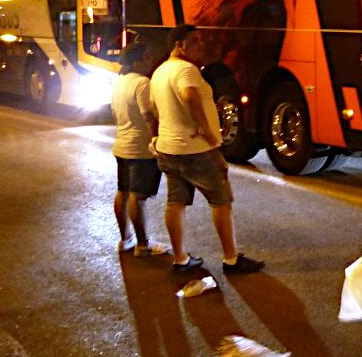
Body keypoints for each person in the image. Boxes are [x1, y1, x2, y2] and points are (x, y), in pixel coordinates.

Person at [150, 24, 264, 275]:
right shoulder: (186, 70)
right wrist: (207, 130)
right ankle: (231, 259)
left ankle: (180, 258)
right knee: (220, 202)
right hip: (196, 150)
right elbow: (189, 96)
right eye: (196, 41)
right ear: (179, 45)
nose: (202, 46)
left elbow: (154, 108)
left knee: (175, 203)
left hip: (169, 149)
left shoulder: (159, 72)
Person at [111, 42, 168, 257]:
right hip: (140, 149)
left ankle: (125, 239)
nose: (149, 61)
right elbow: (148, 116)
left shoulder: (119, 82)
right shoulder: (142, 83)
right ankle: (143, 245)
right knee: (138, 196)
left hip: (121, 145)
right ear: (136, 61)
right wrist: (156, 139)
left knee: (122, 192)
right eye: (146, 57)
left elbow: (115, 114)